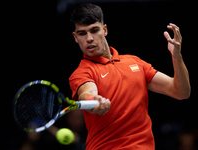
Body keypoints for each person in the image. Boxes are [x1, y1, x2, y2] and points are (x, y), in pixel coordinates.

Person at [69, 3, 191, 150]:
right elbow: (87, 93)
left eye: (94, 30)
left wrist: (177, 57)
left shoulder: (135, 63)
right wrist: (95, 101)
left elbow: (181, 92)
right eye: (82, 33)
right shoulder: (82, 72)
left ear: (105, 30)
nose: (89, 38)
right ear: (75, 37)